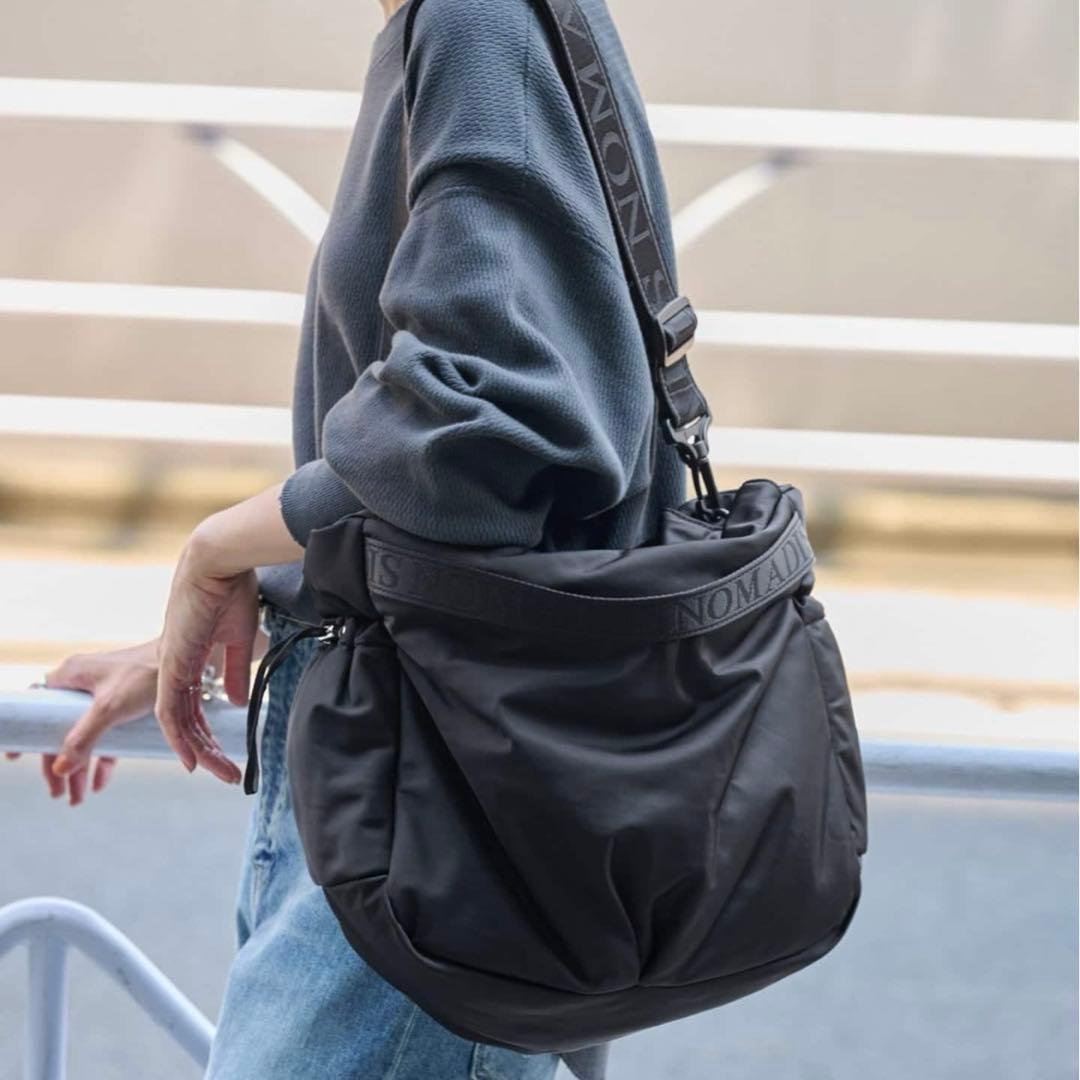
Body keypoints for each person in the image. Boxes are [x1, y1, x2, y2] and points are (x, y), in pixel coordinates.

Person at [14, 0, 687, 1075]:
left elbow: (489, 429)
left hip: (426, 815)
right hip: (413, 794)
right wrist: (263, 601)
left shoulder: (476, 23)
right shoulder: (483, 25)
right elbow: (480, 457)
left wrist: (219, 549)